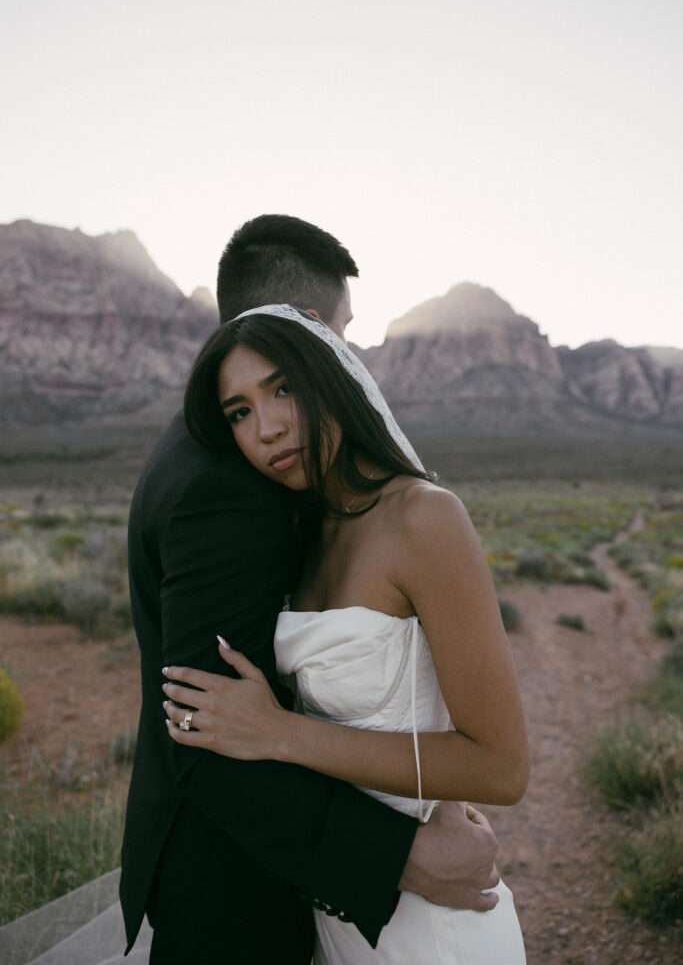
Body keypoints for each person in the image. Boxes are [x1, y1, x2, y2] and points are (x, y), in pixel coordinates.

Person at [120, 216, 503, 964]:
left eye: (282, 391)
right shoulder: (227, 489)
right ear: (317, 328)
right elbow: (208, 733)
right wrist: (400, 853)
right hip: (239, 885)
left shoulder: (241, 471)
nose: (264, 428)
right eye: (243, 407)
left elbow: (493, 755)